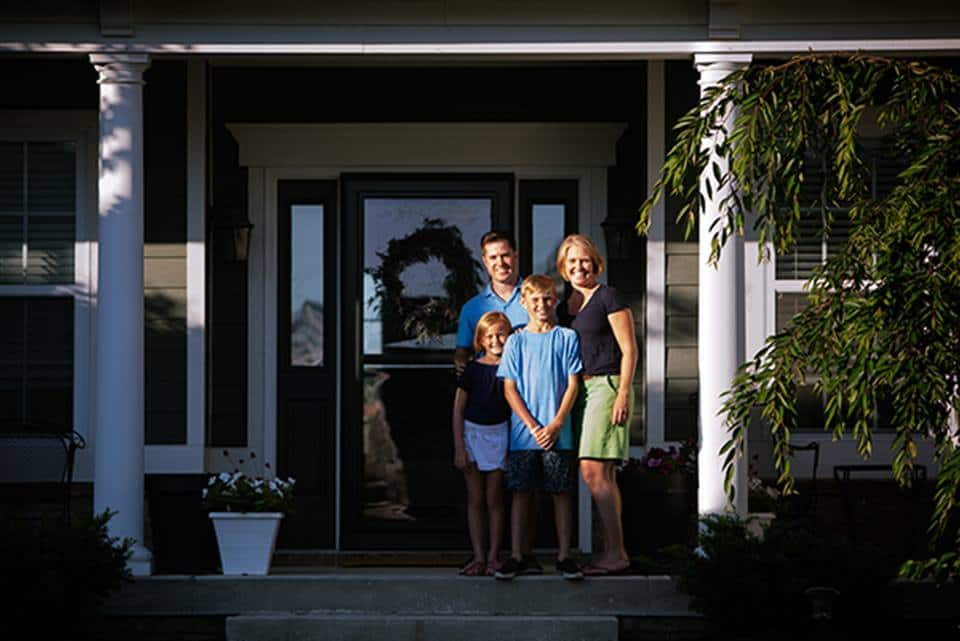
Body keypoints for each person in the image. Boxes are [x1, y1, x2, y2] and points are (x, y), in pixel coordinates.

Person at [557, 234, 638, 576]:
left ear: (596, 263)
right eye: (572, 262)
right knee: (600, 475)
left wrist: (622, 392)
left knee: (594, 472)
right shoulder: (563, 306)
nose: (580, 267)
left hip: (606, 388)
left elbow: (630, 349)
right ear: (563, 268)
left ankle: (616, 554)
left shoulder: (609, 296)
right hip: (578, 393)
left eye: (585, 260)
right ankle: (610, 551)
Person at [494, 275, 584, 581]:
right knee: (521, 492)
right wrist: (533, 426)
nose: (542, 305)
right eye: (535, 300)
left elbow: (573, 384)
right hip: (524, 435)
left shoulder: (566, 338)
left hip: (559, 432)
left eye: (547, 299)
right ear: (524, 303)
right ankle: (518, 555)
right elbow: (509, 388)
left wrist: (557, 423)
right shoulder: (516, 341)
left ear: (555, 301)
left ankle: (563, 556)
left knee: (561, 492)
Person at [452, 311, 513, 577]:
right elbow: (458, 410)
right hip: (473, 436)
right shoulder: (473, 370)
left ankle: (493, 557)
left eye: (501, 334)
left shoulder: (513, 367)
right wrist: (459, 447)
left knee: (494, 499)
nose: (496, 340)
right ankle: (477, 557)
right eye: (489, 335)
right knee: (476, 499)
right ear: (480, 340)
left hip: (501, 435)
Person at [454, 231, 527, 376]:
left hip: (529, 387)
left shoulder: (537, 301)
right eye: (493, 257)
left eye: (505, 255)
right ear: (485, 261)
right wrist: (462, 362)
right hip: (488, 387)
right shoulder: (472, 308)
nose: (500, 262)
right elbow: (462, 353)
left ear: (515, 256)